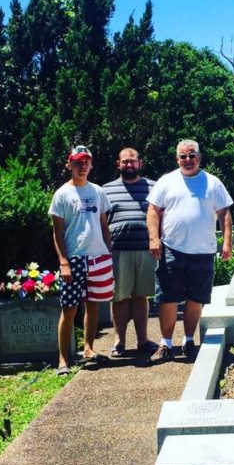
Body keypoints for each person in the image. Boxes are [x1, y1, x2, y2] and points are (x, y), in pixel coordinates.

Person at [146, 139, 233, 363]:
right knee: (168, 298)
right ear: (177, 159)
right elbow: (154, 210)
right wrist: (154, 238)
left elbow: (224, 214)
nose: (187, 160)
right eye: (183, 156)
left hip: (203, 252)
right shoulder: (167, 181)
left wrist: (227, 242)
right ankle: (166, 345)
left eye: (191, 155)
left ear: (199, 158)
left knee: (196, 299)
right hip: (172, 249)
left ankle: (188, 341)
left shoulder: (213, 183)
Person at [49, 144, 114, 375]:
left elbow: (104, 224)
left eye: (86, 162)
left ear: (91, 164)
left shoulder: (97, 191)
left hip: (98, 257)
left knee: (94, 305)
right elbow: (57, 233)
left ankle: (88, 349)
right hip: (74, 258)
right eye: (77, 162)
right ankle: (63, 360)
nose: (82, 166)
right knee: (69, 309)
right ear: (69, 164)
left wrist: (108, 252)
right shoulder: (62, 194)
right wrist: (63, 262)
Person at [103, 147, 158, 357]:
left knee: (140, 296)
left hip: (146, 250)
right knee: (119, 297)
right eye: (125, 161)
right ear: (118, 164)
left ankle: (143, 340)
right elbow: (102, 220)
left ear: (140, 163)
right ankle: (119, 341)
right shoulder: (106, 190)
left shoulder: (154, 187)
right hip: (118, 251)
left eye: (132, 161)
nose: (129, 165)